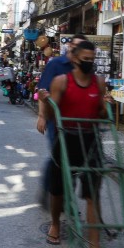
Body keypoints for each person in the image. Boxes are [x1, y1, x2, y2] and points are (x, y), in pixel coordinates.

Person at [41, 40, 107, 246]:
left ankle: (94, 239)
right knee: (57, 187)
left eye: (92, 59)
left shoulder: (99, 83)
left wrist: (108, 105)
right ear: (75, 60)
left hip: (90, 138)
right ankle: (55, 224)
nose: (89, 63)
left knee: (92, 191)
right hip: (67, 137)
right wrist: (47, 102)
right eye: (85, 59)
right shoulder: (61, 81)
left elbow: (102, 113)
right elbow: (53, 114)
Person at [35, 34, 87, 209]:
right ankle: (49, 189)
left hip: (77, 121)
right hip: (56, 120)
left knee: (73, 160)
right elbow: (43, 91)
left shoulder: (85, 66)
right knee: (58, 157)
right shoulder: (56, 64)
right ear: (70, 46)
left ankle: (64, 195)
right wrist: (42, 116)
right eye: (76, 46)